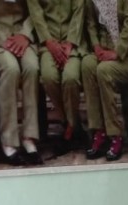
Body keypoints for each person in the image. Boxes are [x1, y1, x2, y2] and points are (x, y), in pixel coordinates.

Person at [82, 0, 128, 161]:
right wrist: (96, 46)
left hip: (127, 55)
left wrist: (117, 52)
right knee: (87, 65)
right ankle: (99, 130)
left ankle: (115, 134)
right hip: (103, 49)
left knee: (103, 70)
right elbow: (91, 23)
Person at [0, 0, 42, 165]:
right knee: (11, 70)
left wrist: (25, 34)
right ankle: (8, 140)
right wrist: (0, 38)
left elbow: (36, 8)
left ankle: (29, 136)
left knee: (31, 68)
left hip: (21, 34)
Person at [27, 0, 85, 155]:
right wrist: (49, 42)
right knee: (48, 77)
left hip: (72, 44)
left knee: (70, 78)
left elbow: (78, 11)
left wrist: (70, 43)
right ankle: (71, 123)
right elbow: (36, 14)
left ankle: (69, 129)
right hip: (48, 44)